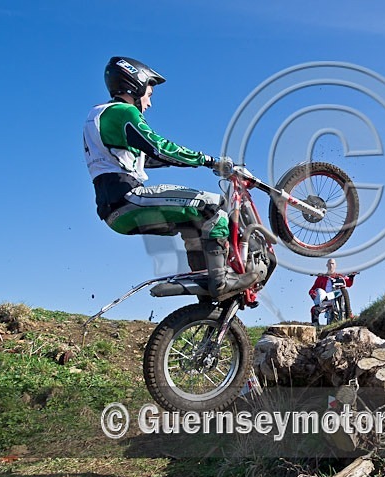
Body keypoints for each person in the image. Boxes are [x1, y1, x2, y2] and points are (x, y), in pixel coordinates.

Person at [83, 56, 257, 297]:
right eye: (149, 95)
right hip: (128, 199)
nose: (149, 104)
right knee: (214, 206)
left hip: (113, 211)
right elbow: (159, 148)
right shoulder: (123, 112)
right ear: (137, 84)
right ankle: (219, 281)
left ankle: (206, 287)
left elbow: (150, 158)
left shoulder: (98, 116)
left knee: (194, 223)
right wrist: (210, 161)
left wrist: (189, 163)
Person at [308, 258, 355, 325]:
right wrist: (314, 294)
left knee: (343, 290)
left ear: (335, 265)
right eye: (329, 264)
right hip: (325, 300)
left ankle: (349, 314)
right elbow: (312, 290)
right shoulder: (321, 278)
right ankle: (316, 328)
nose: (331, 265)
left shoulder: (339, 276)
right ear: (327, 265)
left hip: (336, 298)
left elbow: (348, 284)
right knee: (314, 310)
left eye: (332, 264)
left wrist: (351, 277)